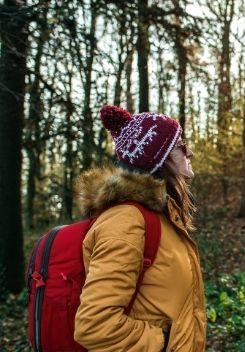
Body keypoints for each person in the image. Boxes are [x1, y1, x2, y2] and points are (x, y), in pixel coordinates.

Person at [73, 105, 206, 351]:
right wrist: (164, 344)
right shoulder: (126, 222)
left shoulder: (164, 219)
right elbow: (94, 325)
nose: (190, 153)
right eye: (180, 146)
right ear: (159, 159)